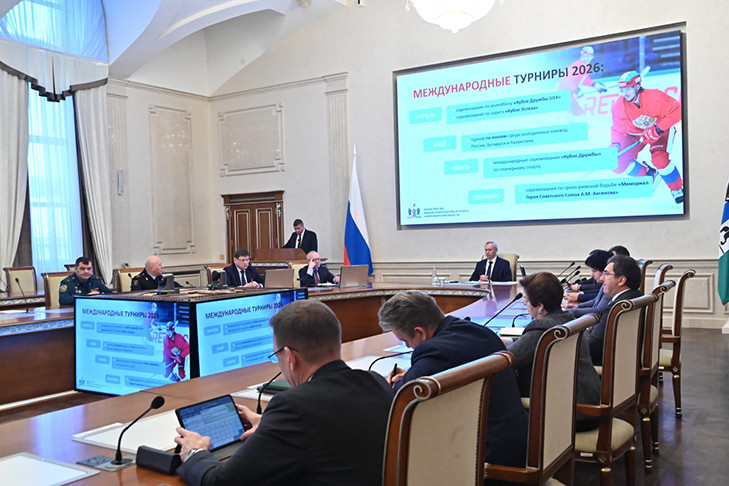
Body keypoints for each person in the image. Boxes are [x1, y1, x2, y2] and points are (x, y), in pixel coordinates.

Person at [175, 300, 394, 486]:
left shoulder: (294, 406)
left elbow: (221, 482)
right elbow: (332, 427)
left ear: (290, 357)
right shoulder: (375, 381)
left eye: (277, 356)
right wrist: (268, 425)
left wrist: (196, 452)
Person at [378, 290, 527, 468]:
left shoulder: (434, 352)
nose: (408, 346)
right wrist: (414, 373)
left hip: (487, 458)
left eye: (405, 341)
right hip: (514, 441)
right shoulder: (477, 331)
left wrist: (391, 384)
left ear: (420, 332)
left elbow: (402, 398)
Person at [502, 272, 601, 431]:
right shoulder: (567, 320)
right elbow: (530, 344)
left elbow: (507, 360)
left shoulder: (543, 329)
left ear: (540, 306)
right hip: (588, 406)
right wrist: (509, 341)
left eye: (527, 300)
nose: (525, 303)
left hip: (570, 415)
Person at [611, 70, 684, 203]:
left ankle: (677, 188)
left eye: (628, 89)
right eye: (622, 90)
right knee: (616, 163)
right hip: (635, 134)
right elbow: (618, 128)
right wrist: (615, 144)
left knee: (660, 159)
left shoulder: (654, 97)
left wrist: (658, 129)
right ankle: (648, 174)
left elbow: (678, 111)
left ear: (637, 86)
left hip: (660, 131)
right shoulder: (619, 105)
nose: (625, 93)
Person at [584, 255, 643, 365]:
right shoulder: (635, 296)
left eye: (606, 274)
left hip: (608, 365)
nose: (601, 279)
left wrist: (581, 332)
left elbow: (592, 347)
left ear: (621, 280)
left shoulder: (618, 308)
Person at [556, 45, 607, 116]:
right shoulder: (577, 65)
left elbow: (585, 79)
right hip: (563, 90)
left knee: (576, 111)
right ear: (581, 56)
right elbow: (568, 81)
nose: (587, 58)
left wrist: (595, 85)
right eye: (585, 56)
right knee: (575, 111)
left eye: (589, 56)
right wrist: (577, 90)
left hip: (569, 91)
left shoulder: (586, 66)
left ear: (592, 57)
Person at [565, 249, 613, 315]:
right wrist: (577, 306)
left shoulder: (610, 287)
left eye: (594, 271)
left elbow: (598, 310)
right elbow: (595, 300)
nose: (592, 275)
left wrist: (567, 312)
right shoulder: (604, 284)